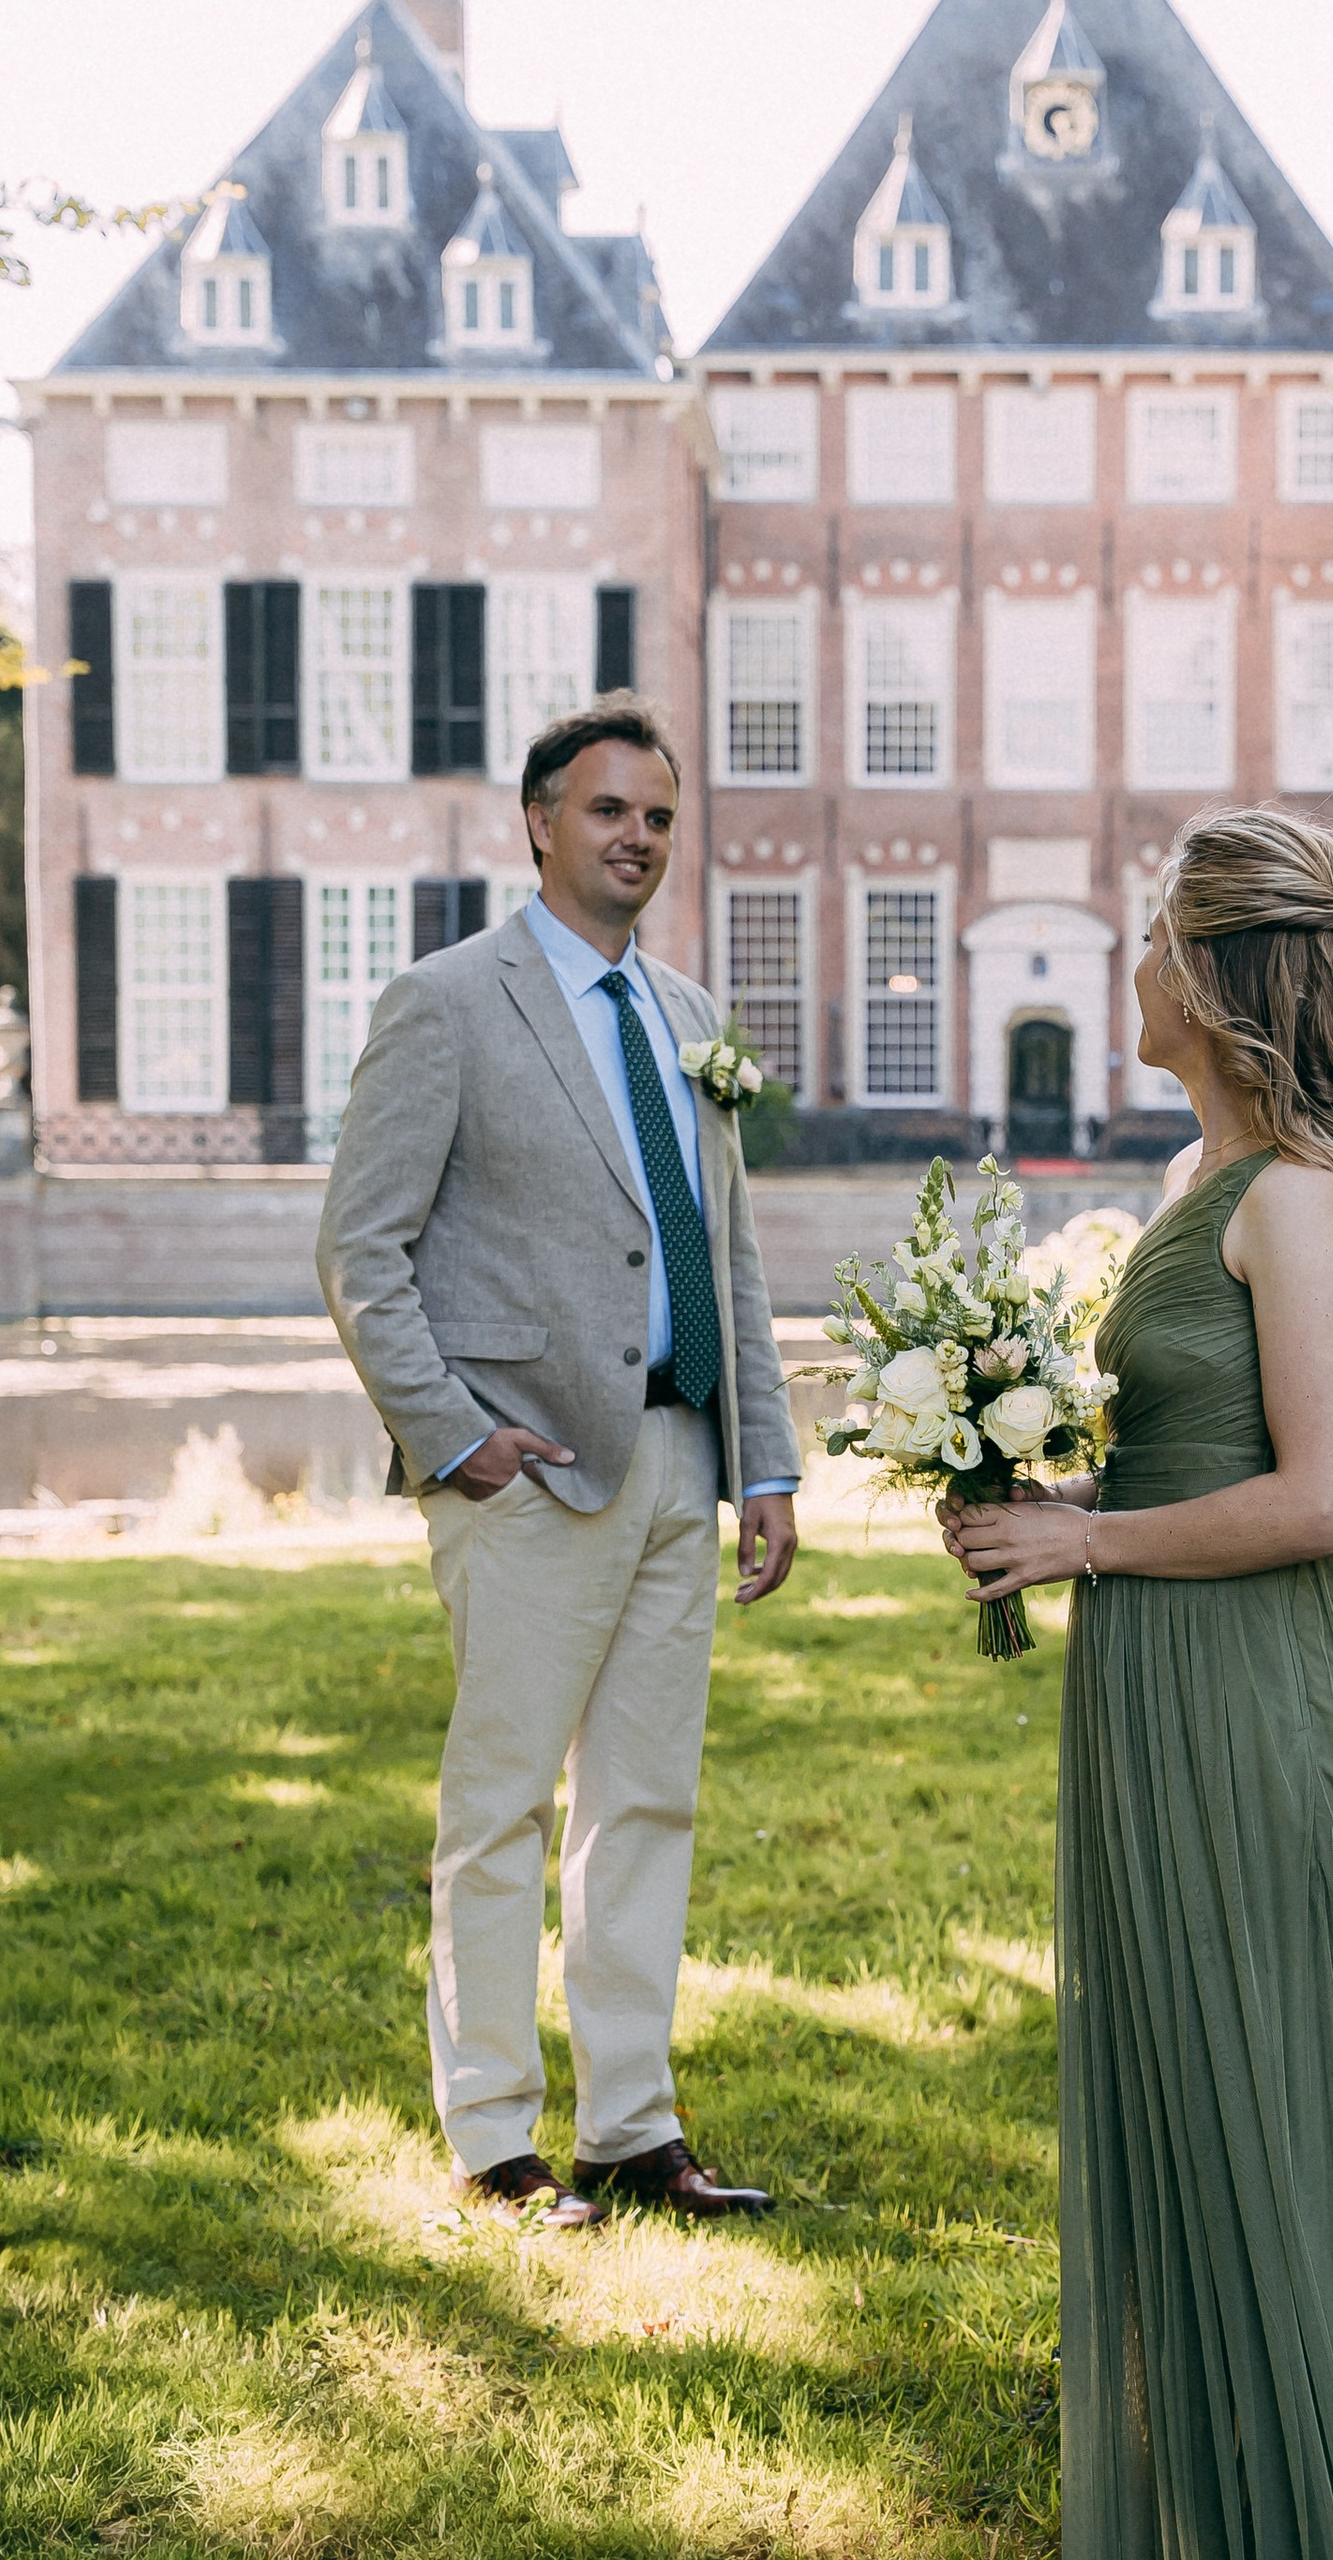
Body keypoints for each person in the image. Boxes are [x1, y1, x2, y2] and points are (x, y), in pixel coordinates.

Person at [947, 808, 1333, 2557]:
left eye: (1148, 939)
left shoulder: (1302, 1201)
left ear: (1207, 980)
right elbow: (1189, 1447)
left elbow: (1325, 1499)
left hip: (1268, 1708)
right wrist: (1042, 1486)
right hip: (1160, 1700)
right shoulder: (1201, 1185)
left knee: (1273, 2117)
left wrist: (1089, 1549)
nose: (1127, 965)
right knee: (1195, 2122)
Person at [318, 695, 801, 2230]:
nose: (637, 839)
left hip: (678, 1452)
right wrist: (452, 1436)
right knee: (503, 1809)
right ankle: (490, 2140)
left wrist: (765, 1461)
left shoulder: (691, 1018)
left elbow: (732, 1258)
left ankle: (633, 2129)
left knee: (646, 1804)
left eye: (657, 815)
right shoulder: (449, 1003)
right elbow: (362, 1249)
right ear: (538, 822)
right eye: (607, 812)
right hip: (524, 1476)